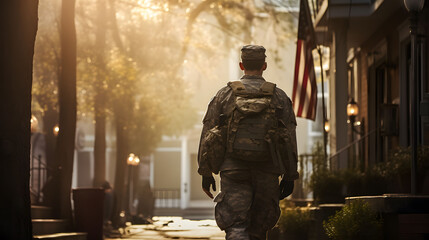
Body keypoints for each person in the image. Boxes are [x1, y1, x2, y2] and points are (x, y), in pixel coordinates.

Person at [197, 45, 299, 240]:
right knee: (259, 229)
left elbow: (208, 132)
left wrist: (205, 172)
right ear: (265, 66)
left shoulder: (224, 95)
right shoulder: (279, 97)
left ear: (241, 65)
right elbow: (289, 137)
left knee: (236, 225)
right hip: (267, 169)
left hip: (233, 168)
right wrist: (290, 175)